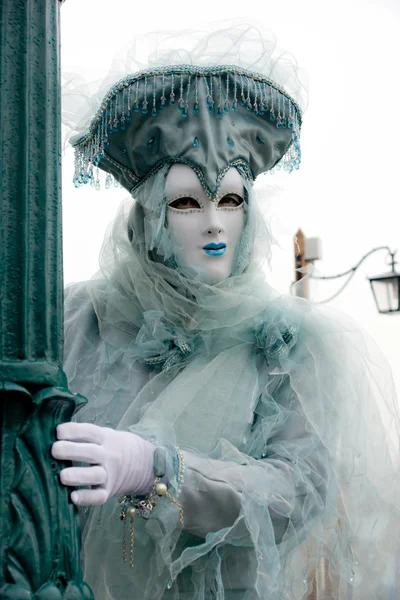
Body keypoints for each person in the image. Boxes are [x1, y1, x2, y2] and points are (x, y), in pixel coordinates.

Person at [53, 24, 400, 599]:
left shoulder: (287, 341)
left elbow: (299, 491)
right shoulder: (77, 321)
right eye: (187, 202)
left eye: (231, 200)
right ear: (150, 218)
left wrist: (160, 470)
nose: (214, 223)